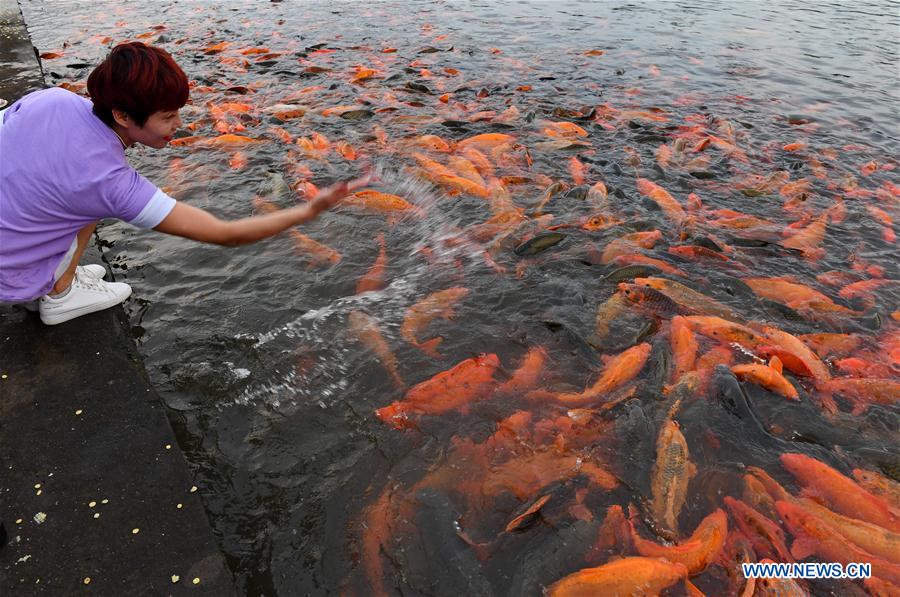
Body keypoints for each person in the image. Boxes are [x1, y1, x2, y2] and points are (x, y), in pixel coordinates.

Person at [0, 42, 368, 325]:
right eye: (168, 116)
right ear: (122, 114)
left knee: (68, 191)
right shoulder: (112, 182)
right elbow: (228, 234)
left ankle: (60, 272)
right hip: (9, 276)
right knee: (91, 197)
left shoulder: (52, 99)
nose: (179, 125)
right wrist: (309, 209)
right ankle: (58, 293)